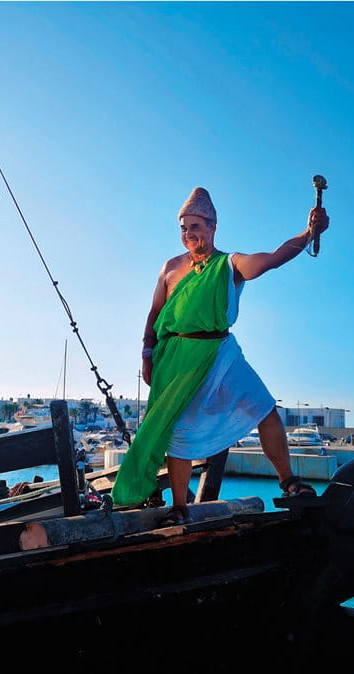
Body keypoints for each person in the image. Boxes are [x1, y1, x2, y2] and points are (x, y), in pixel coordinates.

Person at [110, 186, 330, 523]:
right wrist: (146, 355)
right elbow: (154, 314)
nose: (188, 234)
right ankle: (180, 507)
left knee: (264, 407)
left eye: (195, 227)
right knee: (179, 431)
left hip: (221, 352)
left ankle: (289, 482)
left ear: (212, 227)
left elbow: (271, 259)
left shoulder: (228, 264)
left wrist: (308, 233)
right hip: (176, 358)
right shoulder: (170, 268)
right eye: (183, 228)